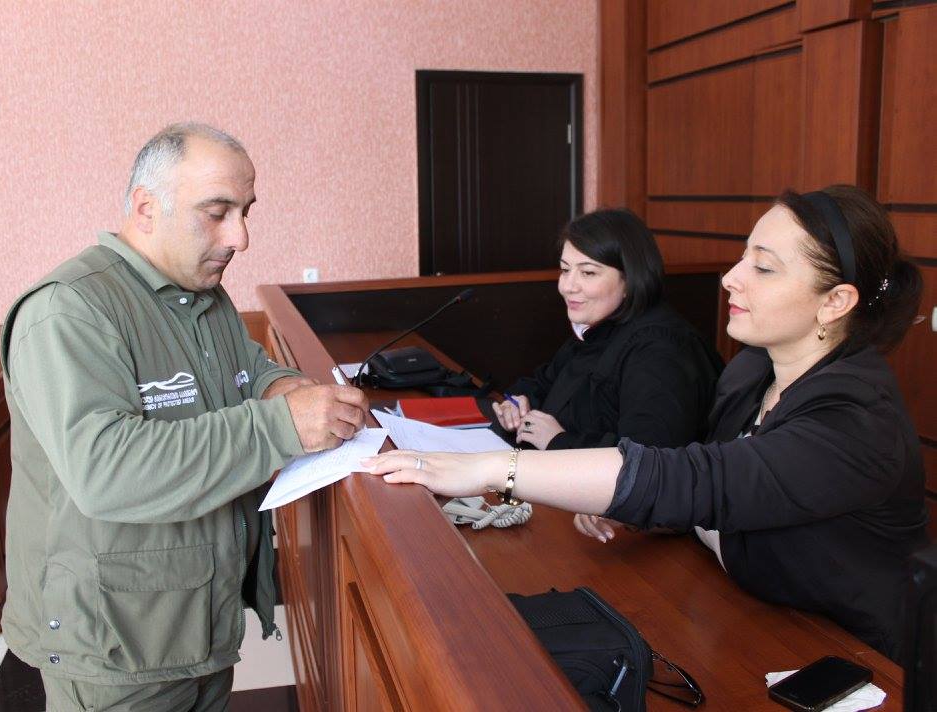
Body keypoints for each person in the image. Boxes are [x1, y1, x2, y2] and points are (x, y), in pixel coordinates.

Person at [364, 185, 929, 663]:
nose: (731, 279)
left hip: (845, 658)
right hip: (739, 607)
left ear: (835, 302)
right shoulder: (753, 370)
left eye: (762, 268)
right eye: (742, 258)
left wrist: (490, 469)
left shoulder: (857, 418)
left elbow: (703, 479)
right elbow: (708, 495)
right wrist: (641, 513)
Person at [0, 123, 368, 711]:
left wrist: (282, 387)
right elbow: (106, 471)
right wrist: (282, 425)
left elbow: (248, 370)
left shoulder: (203, 296)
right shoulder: (69, 310)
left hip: (200, 621)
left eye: (245, 212)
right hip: (116, 647)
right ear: (146, 208)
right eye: (217, 213)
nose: (240, 237)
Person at [492, 209, 722, 453]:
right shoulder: (600, 326)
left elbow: (649, 459)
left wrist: (558, 440)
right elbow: (543, 383)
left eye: (588, 273)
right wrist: (516, 404)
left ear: (630, 279)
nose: (567, 286)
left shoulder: (661, 350)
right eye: (565, 270)